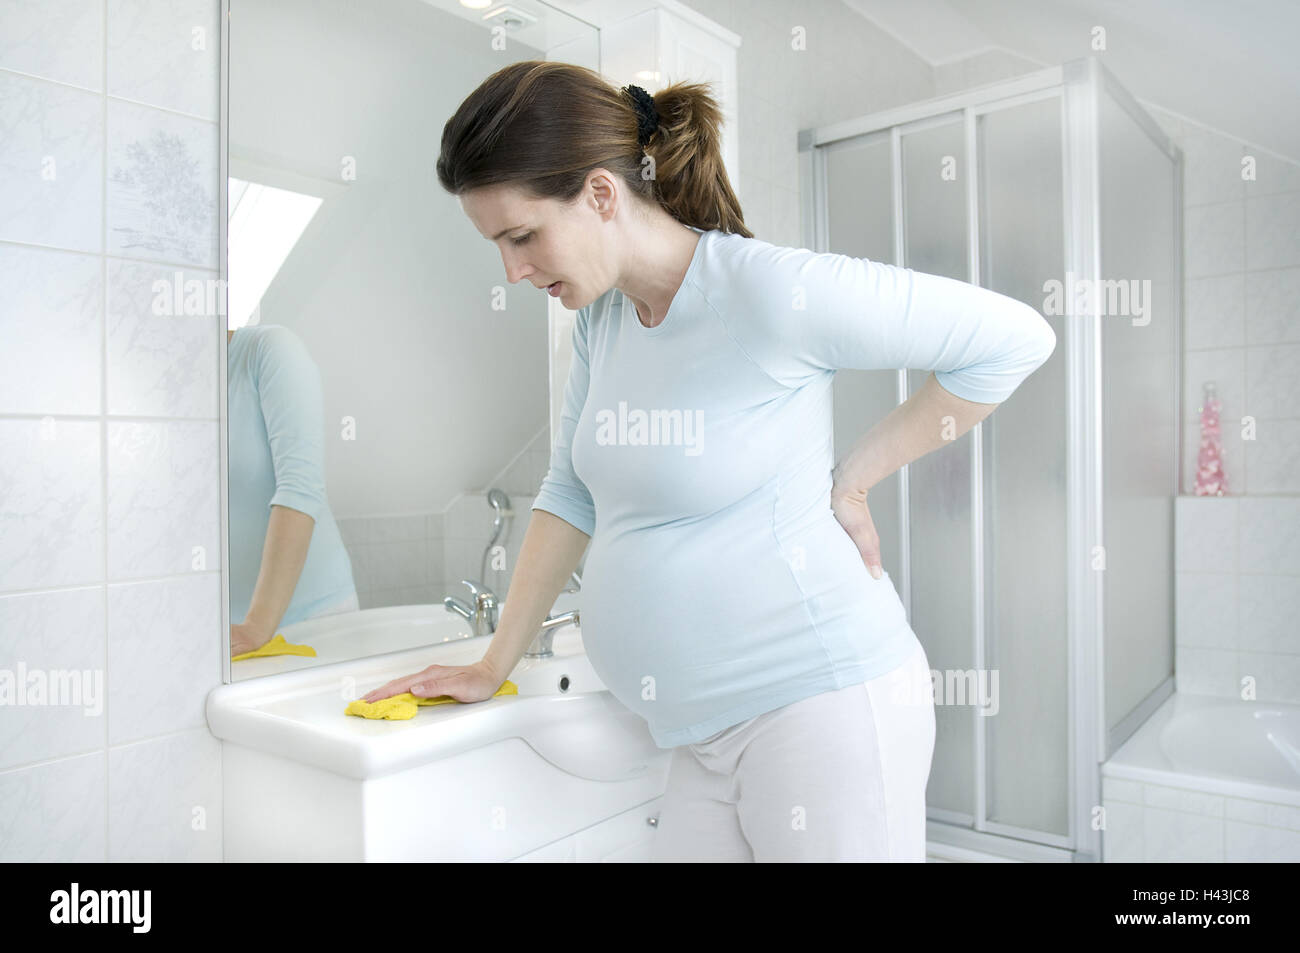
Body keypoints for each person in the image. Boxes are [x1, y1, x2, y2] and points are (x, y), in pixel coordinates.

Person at [362, 61, 1056, 861]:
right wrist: (494, 661)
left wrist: (857, 477)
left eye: (521, 237)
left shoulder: (766, 291)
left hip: (820, 708)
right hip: (700, 733)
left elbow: (1014, 340)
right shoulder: (602, 323)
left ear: (600, 194)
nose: (513, 271)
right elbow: (570, 492)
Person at [227, 324, 358, 657]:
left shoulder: (268, 350)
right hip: (231, 628)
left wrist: (257, 625)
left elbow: (300, 488)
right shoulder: (169, 389)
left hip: (313, 619)